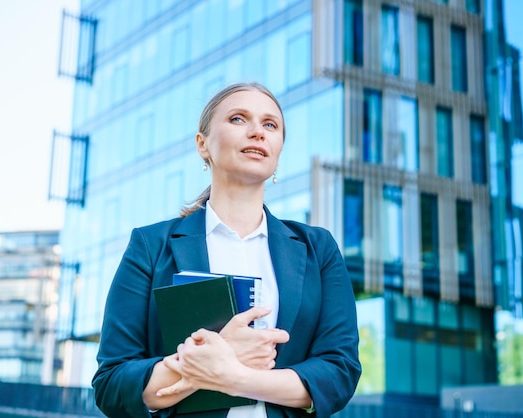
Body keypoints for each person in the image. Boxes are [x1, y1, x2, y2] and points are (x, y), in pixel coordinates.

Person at [92, 82, 361, 418]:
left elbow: (339, 373)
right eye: (238, 119)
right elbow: (112, 383)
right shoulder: (150, 246)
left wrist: (234, 377)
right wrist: (222, 352)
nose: (257, 132)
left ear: (278, 149)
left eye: (270, 124)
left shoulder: (317, 249)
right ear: (202, 145)